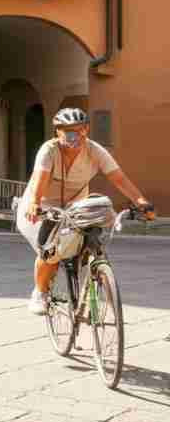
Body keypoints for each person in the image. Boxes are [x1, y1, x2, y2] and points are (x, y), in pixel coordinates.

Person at [22, 108, 155, 315]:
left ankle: (86, 285)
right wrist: (35, 203)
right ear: (57, 132)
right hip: (43, 204)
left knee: (86, 240)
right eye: (66, 130)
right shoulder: (49, 150)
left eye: (78, 129)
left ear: (86, 129)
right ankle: (39, 292)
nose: (73, 134)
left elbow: (119, 179)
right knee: (50, 250)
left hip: (76, 205)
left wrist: (141, 202)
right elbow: (41, 178)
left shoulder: (95, 151)